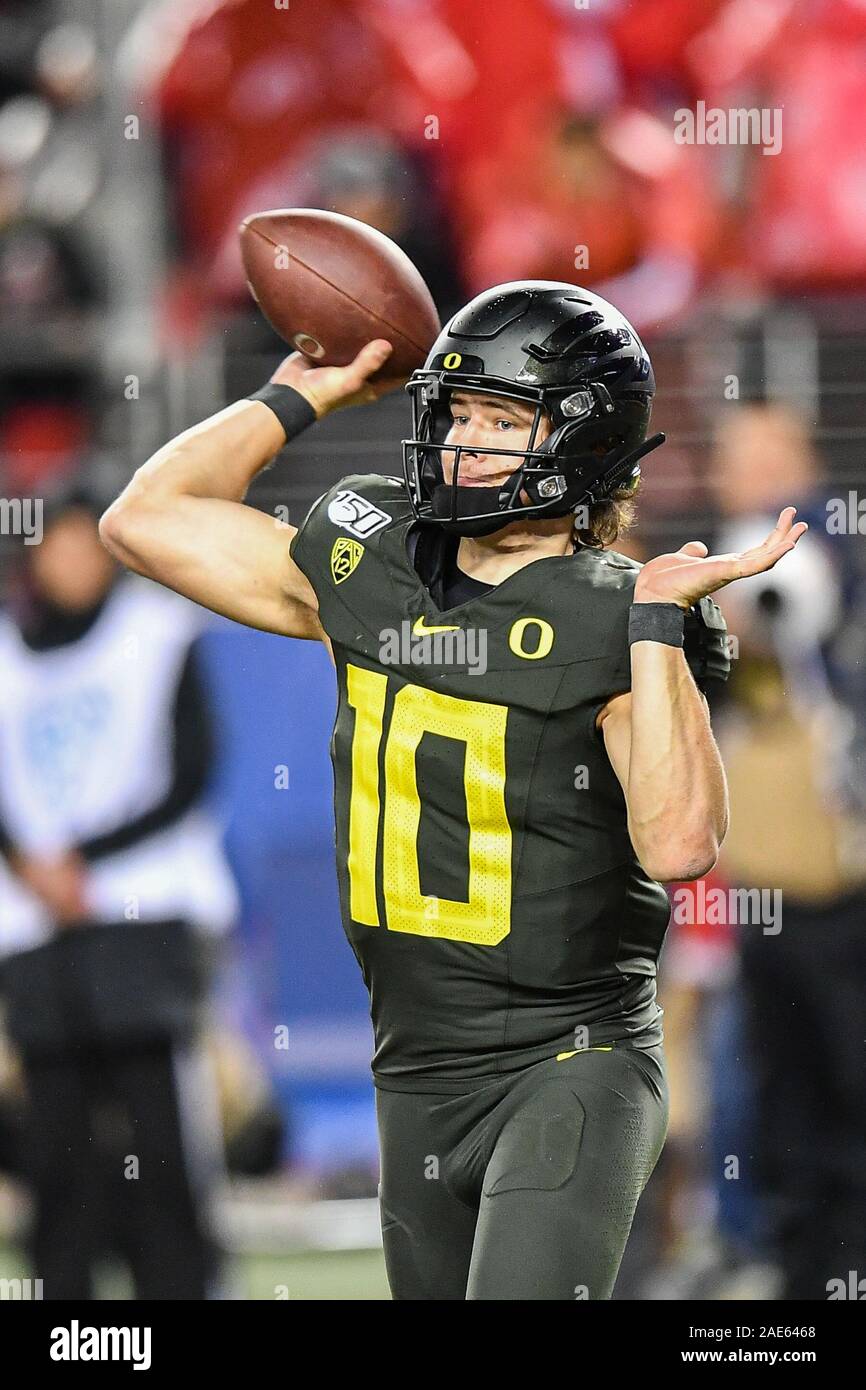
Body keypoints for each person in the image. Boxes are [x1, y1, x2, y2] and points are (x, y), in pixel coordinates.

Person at [100, 281, 806, 1300]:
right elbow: (145, 519)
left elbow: (678, 841)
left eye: (502, 420)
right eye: (458, 413)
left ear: (582, 443)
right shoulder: (378, 559)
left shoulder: (615, 611)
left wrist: (655, 632)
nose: (465, 443)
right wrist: (295, 397)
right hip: (414, 1071)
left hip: (566, 1061)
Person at [0, 483, 237, 1299]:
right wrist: (30, 866)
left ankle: (180, 1286)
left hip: (142, 915)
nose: (69, 561)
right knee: (54, 1138)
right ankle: (68, 1308)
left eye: (83, 544)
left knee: (158, 1131)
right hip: (34, 923)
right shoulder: (4, 650)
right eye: (55, 545)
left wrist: (81, 861)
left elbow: (192, 771)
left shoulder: (158, 633)